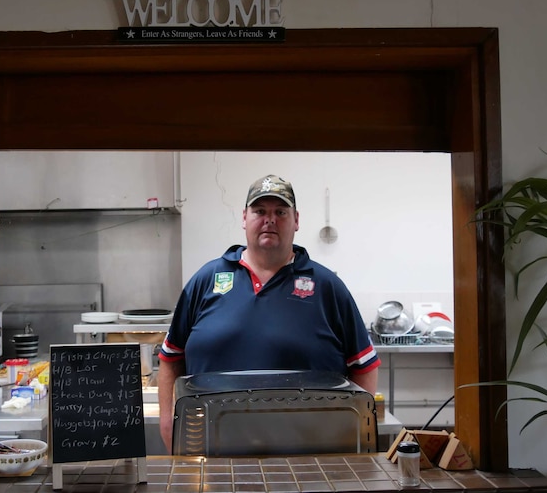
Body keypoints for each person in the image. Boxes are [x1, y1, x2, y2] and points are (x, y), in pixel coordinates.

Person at [157, 174, 380, 451]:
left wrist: (353, 436)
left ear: (296, 220)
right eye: (260, 211)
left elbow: (364, 367)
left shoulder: (327, 287)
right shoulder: (206, 280)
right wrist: (168, 424)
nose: (269, 219)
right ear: (244, 218)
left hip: (309, 454)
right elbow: (171, 359)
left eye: (280, 212)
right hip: (212, 450)